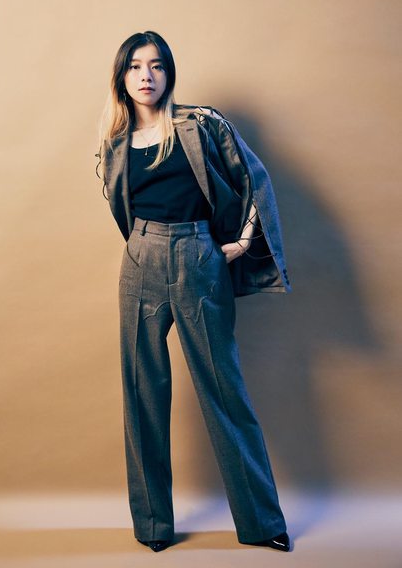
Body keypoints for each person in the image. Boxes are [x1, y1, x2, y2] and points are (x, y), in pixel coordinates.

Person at [95, 30, 291, 553]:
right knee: (142, 393)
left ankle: (262, 523)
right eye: (135, 66)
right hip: (140, 260)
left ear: (169, 72)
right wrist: (144, 248)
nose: (146, 75)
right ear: (122, 77)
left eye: (156, 65)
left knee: (223, 388)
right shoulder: (115, 144)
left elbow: (254, 181)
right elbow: (121, 209)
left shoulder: (201, 124)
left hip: (199, 257)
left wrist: (242, 241)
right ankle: (153, 526)